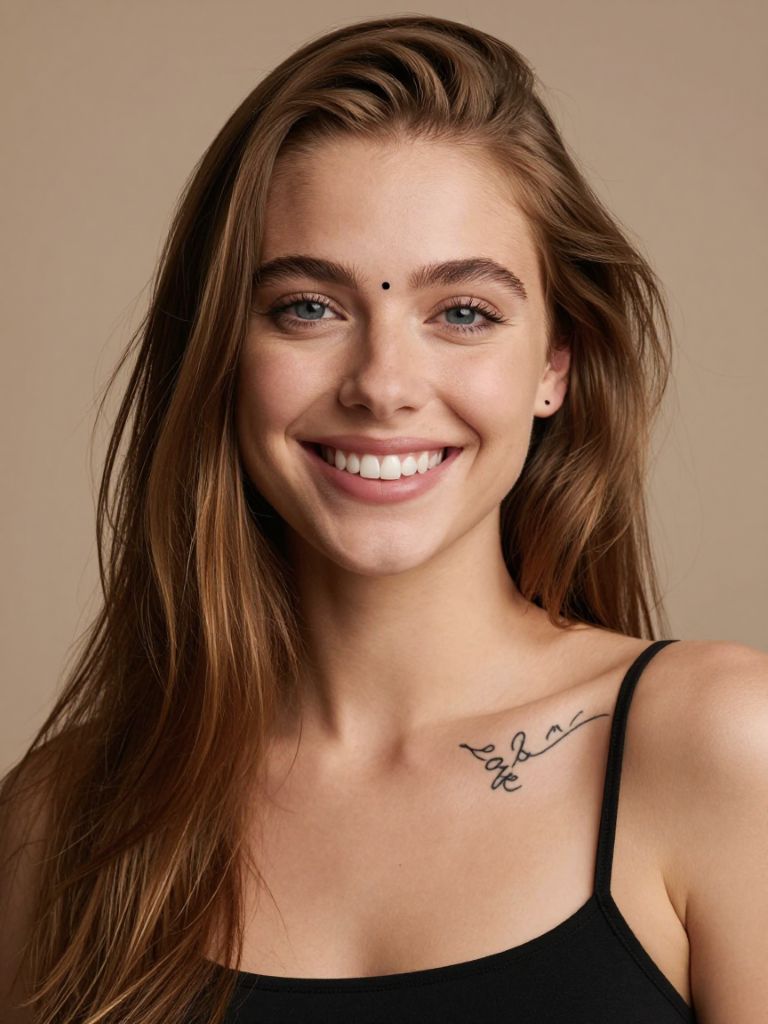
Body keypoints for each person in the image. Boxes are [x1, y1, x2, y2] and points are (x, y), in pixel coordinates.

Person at [1, 13, 766, 1024]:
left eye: (464, 313)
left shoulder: (723, 746)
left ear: (555, 365)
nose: (384, 385)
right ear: (221, 353)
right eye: (309, 307)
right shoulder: (63, 814)